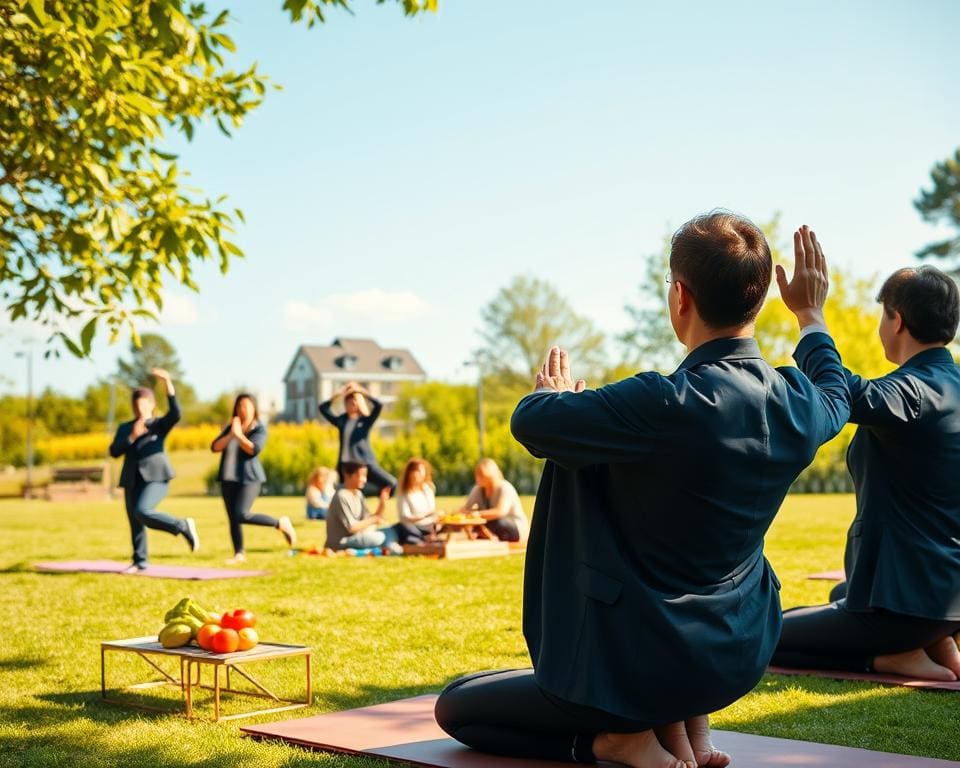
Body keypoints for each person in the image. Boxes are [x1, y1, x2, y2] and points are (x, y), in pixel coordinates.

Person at [434, 216, 851, 768]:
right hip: (736, 653)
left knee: (458, 705)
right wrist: (810, 314)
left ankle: (617, 740)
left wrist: (554, 395)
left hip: (636, 662)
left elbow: (532, 422)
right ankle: (687, 729)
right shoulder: (796, 402)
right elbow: (836, 389)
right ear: (760, 300)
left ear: (680, 296)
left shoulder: (663, 402)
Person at [773, 266, 960, 681]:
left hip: (905, 608)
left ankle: (889, 655)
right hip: (945, 599)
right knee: (841, 594)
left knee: (761, 635)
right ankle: (931, 639)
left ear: (897, 321)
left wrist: (810, 316)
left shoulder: (914, 393)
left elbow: (837, 389)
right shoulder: (950, 386)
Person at [108, 368, 199, 572]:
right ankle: (140, 561)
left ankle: (181, 526)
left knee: (143, 511)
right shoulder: (126, 428)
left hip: (156, 477)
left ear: (151, 404)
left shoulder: (158, 425)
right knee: (135, 520)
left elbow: (176, 414)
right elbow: (114, 451)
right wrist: (132, 436)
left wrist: (168, 382)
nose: (139, 408)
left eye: (143, 403)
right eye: (135, 404)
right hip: (131, 478)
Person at [211, 393, 296, 564]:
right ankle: (239, 553)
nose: (242, 410)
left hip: (249, 479)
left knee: (241, 514)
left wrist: (239, 435)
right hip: (228, 478)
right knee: (233, 518)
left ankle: (279, 523)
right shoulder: (230, 428)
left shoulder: (259, 429)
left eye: (246, 406)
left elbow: (253, 449)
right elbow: (215, 447)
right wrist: (231, 434)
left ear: (254, 409)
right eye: (239, 406)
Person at [319, 382, 397, 496]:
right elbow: (323, 408)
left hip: (364, 462)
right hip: (345, 464)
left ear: (358, 403)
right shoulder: (342, 420)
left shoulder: (365, 421)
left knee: (391, 483)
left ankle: (365, 493)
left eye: (354, 402)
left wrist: (361, 391)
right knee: (342, 493)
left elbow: (379, 405)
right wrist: (339, 393)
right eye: (348, 402)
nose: (351, 404)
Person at [324, 462, 402, 553]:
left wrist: (382, 502)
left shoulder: (358, 494)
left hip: (358, 536)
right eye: (362, 476)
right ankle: (389, 548)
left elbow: (369, 519)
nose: (365, 480)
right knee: (379, 537)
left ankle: (389, 548)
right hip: (342, 542)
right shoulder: (341, 496)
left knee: (390, 530)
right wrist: (374, 520)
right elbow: (352, 528)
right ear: (349, 475)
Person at [457, 458, 528, 543]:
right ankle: (485, 535)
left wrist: (477, 514)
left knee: (497, 522)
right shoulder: (478, 489)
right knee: (478, 522)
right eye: (476, 475)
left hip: (516, 527)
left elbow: (500, 512)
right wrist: (457, 515)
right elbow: (466, 508)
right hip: (494, 524)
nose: (477, 478)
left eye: (481, 475)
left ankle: (485, 534)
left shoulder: (505, 487)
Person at [395, 457, 439, 544]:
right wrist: (425, 515)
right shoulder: (404, 492)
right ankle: (422, 540)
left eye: (422, 471)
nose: (421, 474)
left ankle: (428, 538)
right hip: (413, 527)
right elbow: (405, 517)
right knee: (404, 527)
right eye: (418, 471)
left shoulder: (428, 488)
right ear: (410, 473)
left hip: (430, 526)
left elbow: (432, 512)